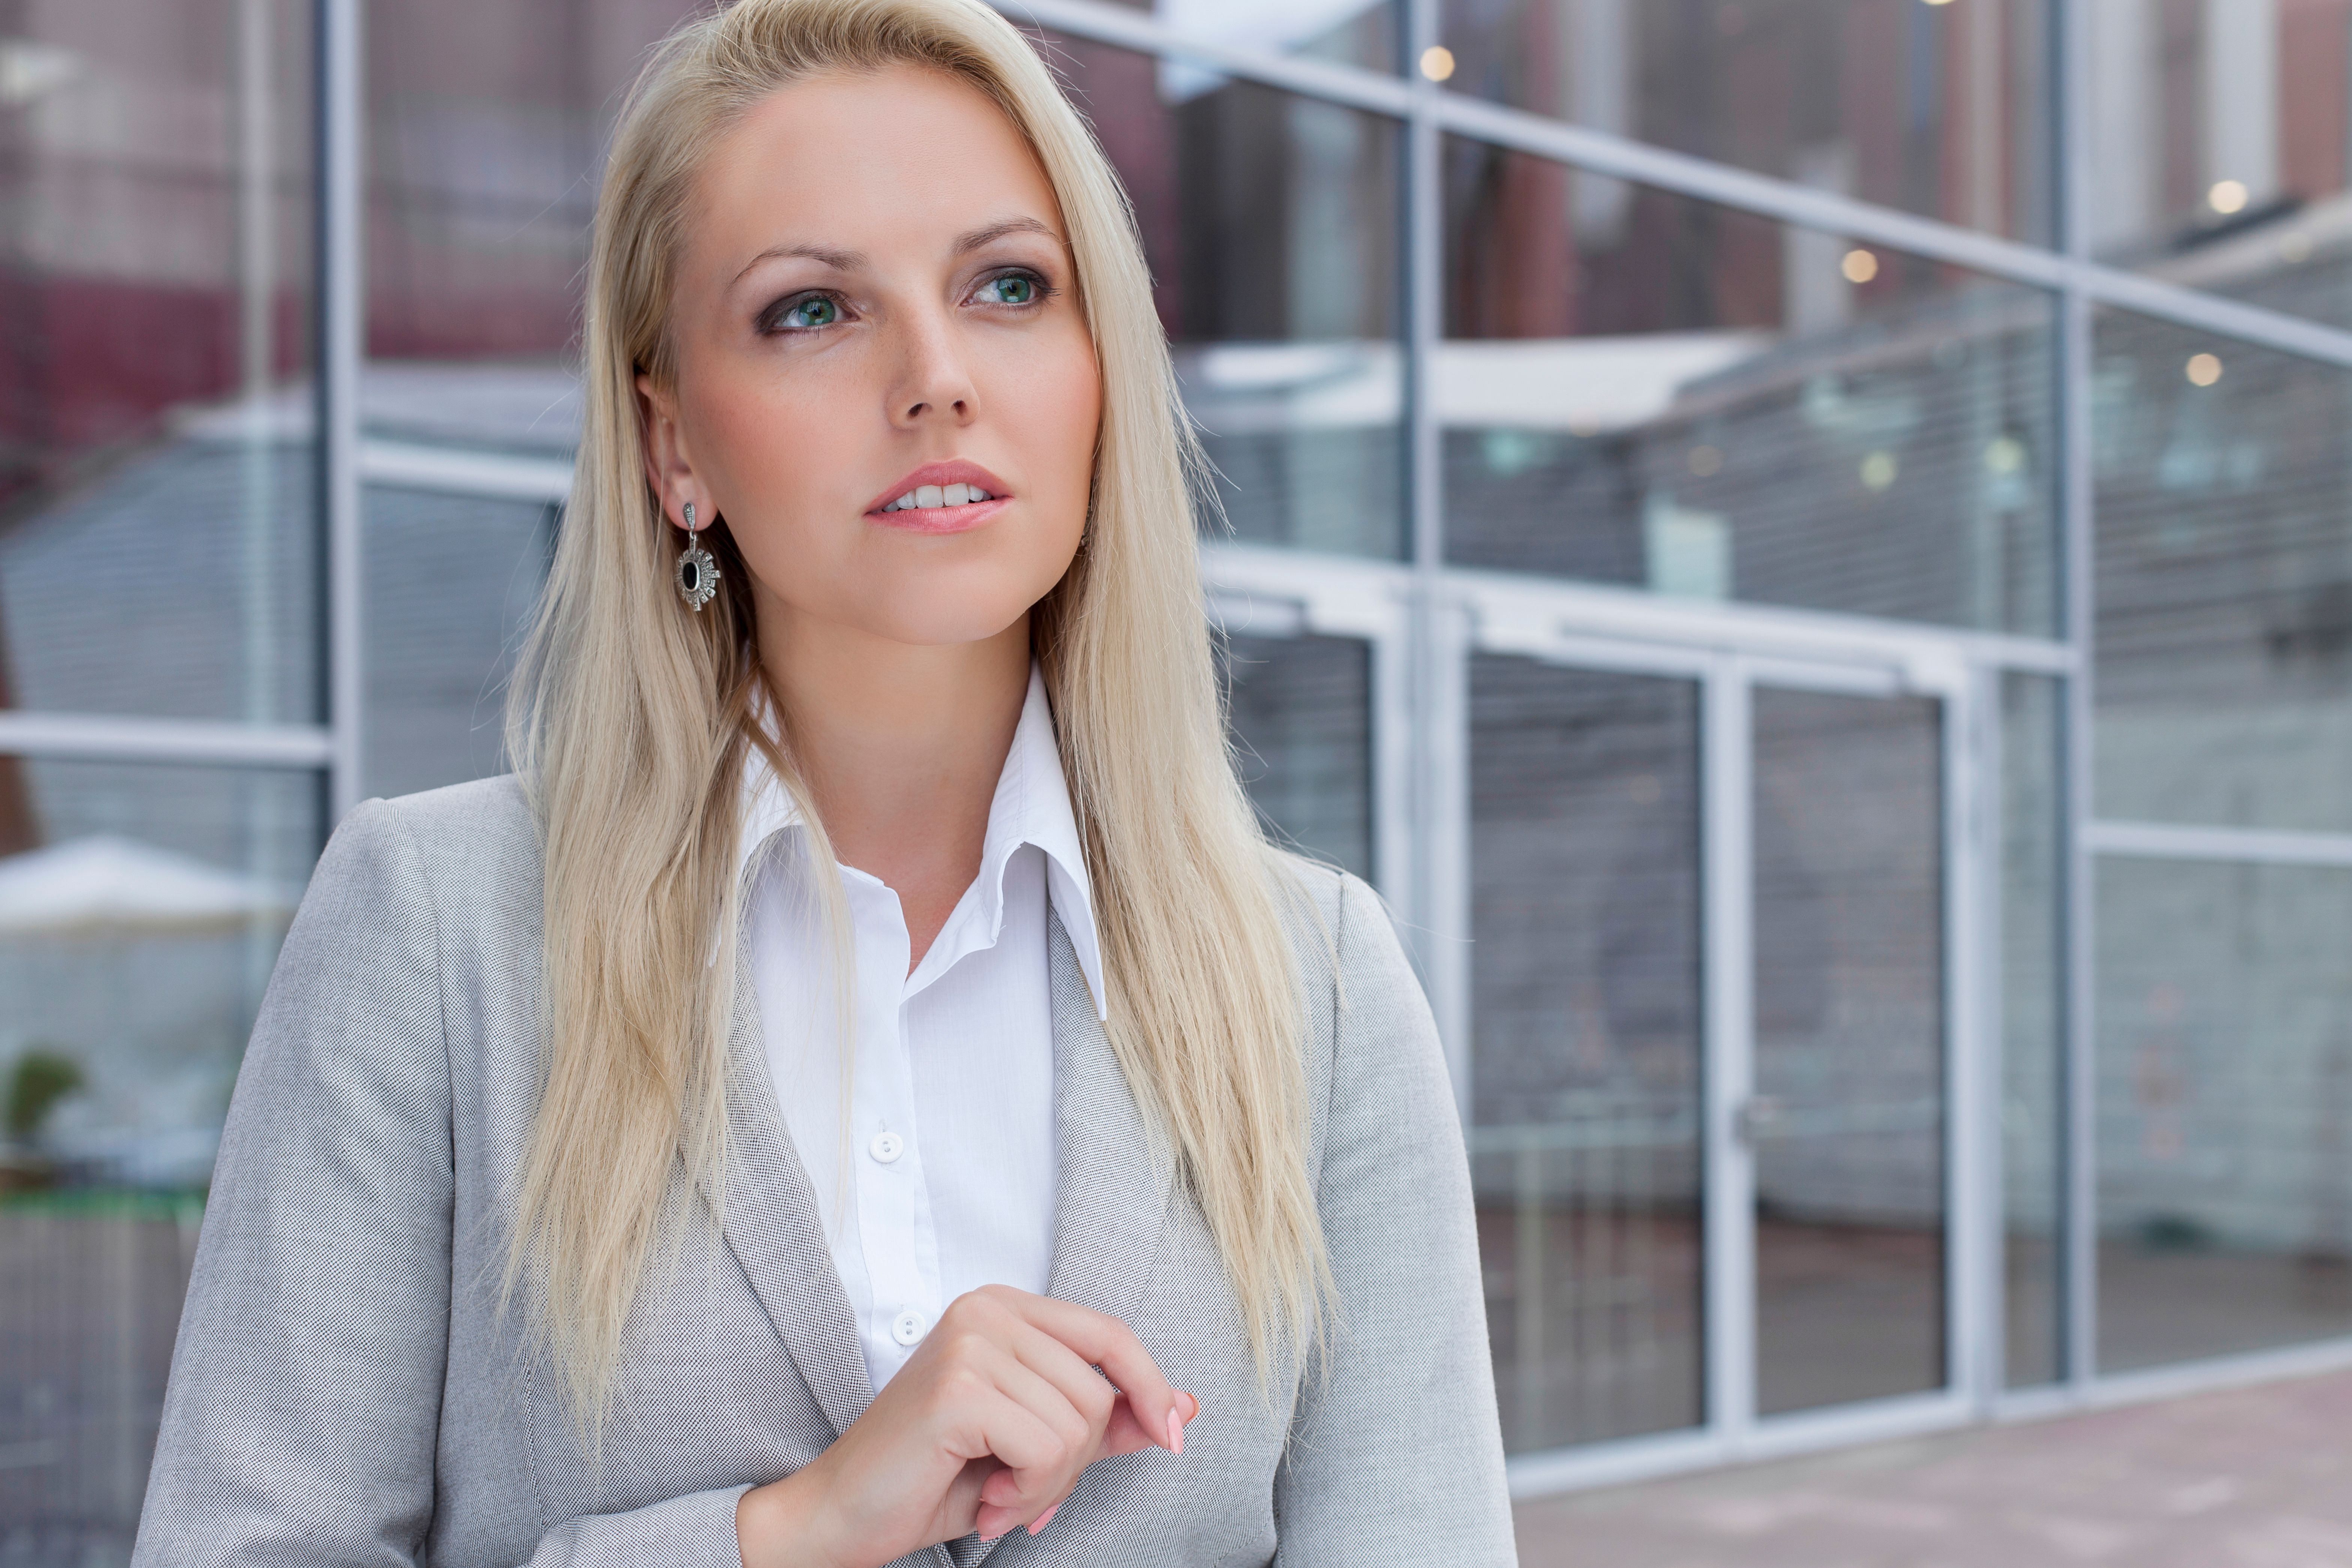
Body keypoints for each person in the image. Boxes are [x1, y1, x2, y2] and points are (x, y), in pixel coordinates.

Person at [132, 0, 1513, 1562]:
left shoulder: (1313, 983)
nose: (934, 376)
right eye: (811, 310)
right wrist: (786, 1532)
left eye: (1008, 286)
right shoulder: (436, 930)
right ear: (674, 450)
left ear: (1097, 372)